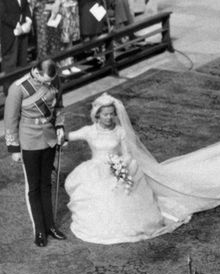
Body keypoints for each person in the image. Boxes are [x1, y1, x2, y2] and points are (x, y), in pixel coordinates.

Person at [65, 93, 174, 243]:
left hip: (116, 168)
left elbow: (127, 154)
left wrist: (120, 165)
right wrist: (56, 134)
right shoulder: (89, 131)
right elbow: (68, 136)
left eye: (112, 114)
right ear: (97, 115)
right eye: (105, 114)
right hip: (95, 170)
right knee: (96, 191)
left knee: (122, 187)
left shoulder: (120, 131)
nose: (109, 117)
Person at [4, 58, 66, 247]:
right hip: (29, 140)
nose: (50, 84)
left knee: (46, 183)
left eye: (51, 81)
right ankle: (39, 230)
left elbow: (59, 106)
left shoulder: (55, 79)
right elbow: (10, 119)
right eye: (46, 80)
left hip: (49, 139)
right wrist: (14, 148)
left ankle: (50, 226)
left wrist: (60, 126)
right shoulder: (18, 88)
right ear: (37, 72)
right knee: (34, 188)